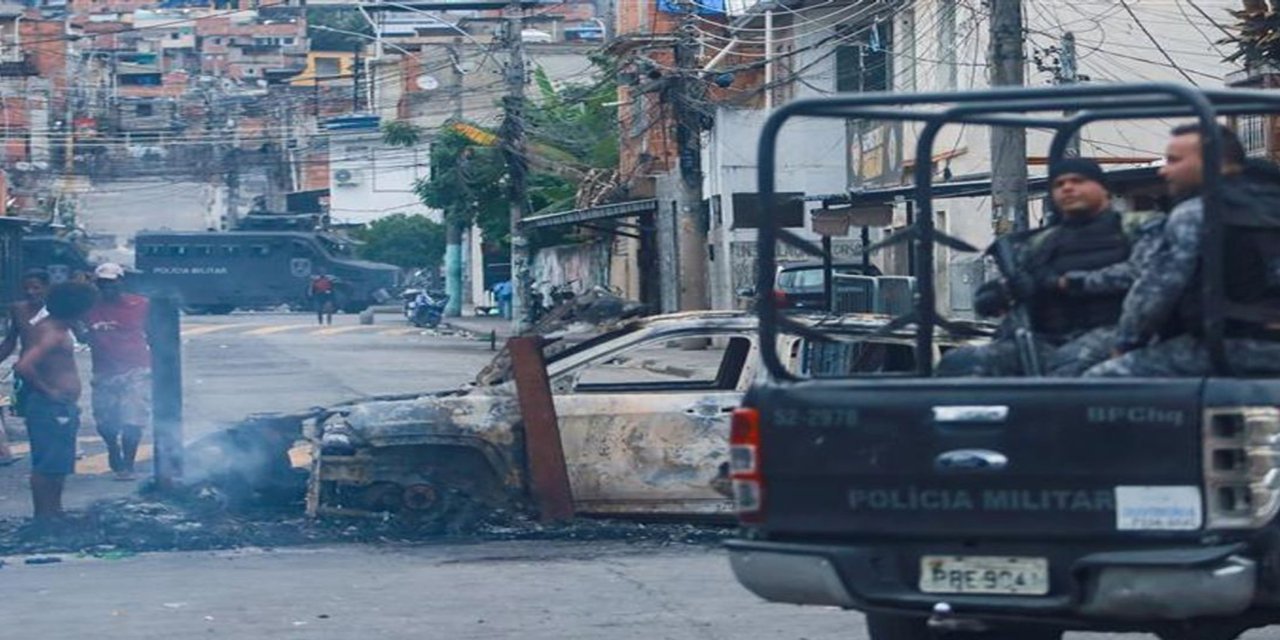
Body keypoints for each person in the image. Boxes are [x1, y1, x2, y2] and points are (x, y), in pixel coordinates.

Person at [1086, 124, 1280, 376]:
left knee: (1097, 381)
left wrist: (1127, 342)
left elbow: (1155, 292)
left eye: (1174, 160)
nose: (1164, 170)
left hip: (1228, 344)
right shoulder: (1272, 204)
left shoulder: (1196, 213)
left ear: (1214, 162)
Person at [936, 158, 1132, 376]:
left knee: (1066, 369)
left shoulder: (1134, 231)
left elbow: (1147, 278)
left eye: (1078, 181)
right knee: (961, 363)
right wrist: (1005, 291)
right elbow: (991, 297)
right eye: (1059, 184)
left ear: (1103, 188)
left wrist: (1060, 283)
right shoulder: (1038, 243)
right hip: (1044, 339)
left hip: (1113, 333)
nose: (1068, 188)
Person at [15, 281, 98, 522]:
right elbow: (24, 366)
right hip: (50, 407)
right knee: (48, 465)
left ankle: (54, 511)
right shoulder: (53, 333)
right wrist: (50, 392)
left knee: (58, 464)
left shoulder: (60, 327)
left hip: (58, 407)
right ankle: (44, 515)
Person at [81, 263, 152, 481]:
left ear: (121, 282)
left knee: (133, 418)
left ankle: (127, 465)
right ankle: (112, 447)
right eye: (102, 283)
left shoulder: (140, 304)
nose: (107, 287)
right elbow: (80, 335)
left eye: (111, 282)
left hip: (136, 368)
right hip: (104, 371)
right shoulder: (89, 308)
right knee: (105, 422)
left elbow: (154, 332)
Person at [0, 269, 51, 465]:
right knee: (30, 414)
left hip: (52, 371)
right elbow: (11, 340)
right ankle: (39, 456)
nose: (31, 292)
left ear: (46, 288)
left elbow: (78, 333)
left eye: (36, 287)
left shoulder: (56, 310)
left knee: (53, 412)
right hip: (26, 371)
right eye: (27, 288)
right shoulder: (18, 309)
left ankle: (52, 454)